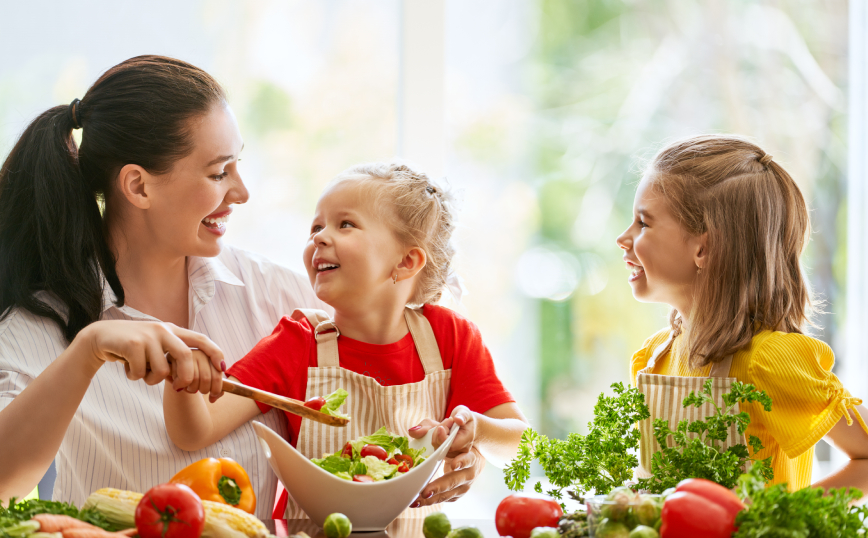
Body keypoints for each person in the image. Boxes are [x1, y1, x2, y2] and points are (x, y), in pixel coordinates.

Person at [0, 55, 326, 519]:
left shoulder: (274, 295)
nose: (241, 192)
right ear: (138, 187)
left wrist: (460, 437)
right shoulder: (38, 325)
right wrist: (87, 350)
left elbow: (398, 348)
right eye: (219, 173)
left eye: (237, 165)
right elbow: (4, 482)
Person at [164, 162, 529, 517]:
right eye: (316, 226)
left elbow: (520, 446)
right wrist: (178, 371)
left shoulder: (449, 337)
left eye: (346, 224)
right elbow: (196, 431)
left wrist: (476, 430)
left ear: (405, 262)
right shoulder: (297, 342)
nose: (318, 237)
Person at [617, 134, 868, 493]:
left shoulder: (770, 360)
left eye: (644, 223)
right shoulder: (655, 357)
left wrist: (786, 518)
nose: (623, 238)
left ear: (703, 247)